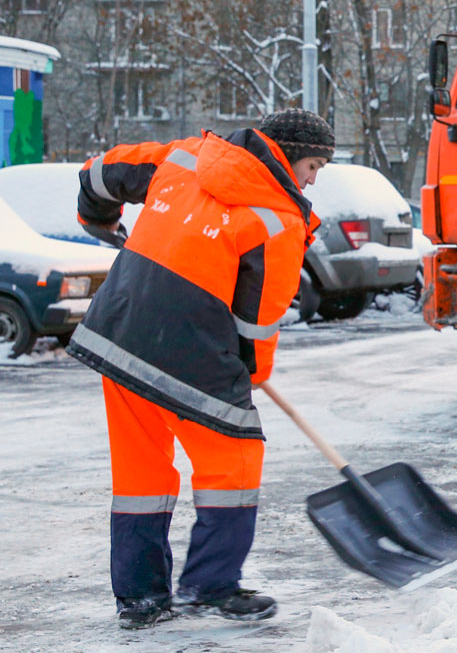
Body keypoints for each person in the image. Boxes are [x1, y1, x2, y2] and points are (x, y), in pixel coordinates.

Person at [67, 109, 333, 630]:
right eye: (313, 165)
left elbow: (100, 172)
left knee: (141, 473)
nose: (313, 179)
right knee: (234, 458)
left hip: (117, 335)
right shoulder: (278, 219)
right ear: (287, 153)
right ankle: (211, 585)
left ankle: (142, 599)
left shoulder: (185, 157)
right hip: (185, 348)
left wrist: (97, 219)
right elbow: (256, 326)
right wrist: (248, 379)